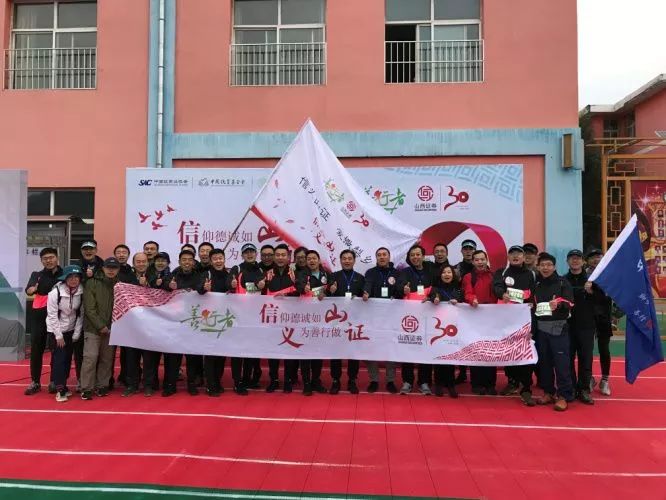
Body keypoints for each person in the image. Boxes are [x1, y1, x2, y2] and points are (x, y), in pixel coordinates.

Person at [198, 248, 248, 396]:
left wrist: (232, 286)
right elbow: (198, 289)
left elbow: (233, 291)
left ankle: (217, 382)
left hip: (227, 319)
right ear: (211, 260)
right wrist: (203, 288)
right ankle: (210, 384)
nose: (218, 261)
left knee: (221, 353)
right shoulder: (206, 274)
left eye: (220, 258)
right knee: (210, 353)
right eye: (215, 259)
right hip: (210, 320)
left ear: (224, 259)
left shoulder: (229, 274)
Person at [492, 245, 537, 406]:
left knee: (524, 352)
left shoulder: (531, 274)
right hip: (506, 319)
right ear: (508, 257)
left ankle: (526, 388)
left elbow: (535, 294)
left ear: (524, 257)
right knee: (508, 351)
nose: (515, 256)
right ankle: (512, 382)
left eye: (519, 254)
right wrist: (501, 293)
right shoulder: (502, 272)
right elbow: (496, 286)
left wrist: (531, 304)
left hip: (525, 319)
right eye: (512, 254)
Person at [533, 253, 575, 411]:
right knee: (544, 363)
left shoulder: (563, 282)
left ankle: (564, 395)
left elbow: (570, 302)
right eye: (542, 265)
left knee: (561, 363)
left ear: (554, 267)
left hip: (558, 327)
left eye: (549, 265)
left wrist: (559, 304)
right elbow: (531, 303)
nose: (545, 268)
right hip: (541, 328)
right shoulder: (536, 284)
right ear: (538, 267)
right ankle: (548, 392)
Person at [161, 250, 203, 396]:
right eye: (184, 259)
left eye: (189, 259)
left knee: (192, 356)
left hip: (192, 321)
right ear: (179, 261)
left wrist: (203, 289)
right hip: (175, 322)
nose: (187, 262)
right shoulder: (173, 274)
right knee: (173, 356)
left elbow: (202, 289)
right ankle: (170, 385)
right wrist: (168, 286)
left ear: (193, 262)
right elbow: (163, 286)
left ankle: (191, 384)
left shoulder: (199, 275)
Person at [24, 247, 63, 395]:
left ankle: (54, 381)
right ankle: (35, 381)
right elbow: (29, 289)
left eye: (51, 257)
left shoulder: (64, 274)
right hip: (39, 316)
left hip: (58, 316)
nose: (48, 260)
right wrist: (32, 289)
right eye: (45, 258)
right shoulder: (37, 275)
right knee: (36, 349)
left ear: (57, 258)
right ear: (41, 261)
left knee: (56, 349)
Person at [80, 257, 120, 400]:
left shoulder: (120, 285)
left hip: (112, 329)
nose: (111, 270)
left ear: (118, 270)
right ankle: (86, 388)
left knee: (107, 359)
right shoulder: (92, 283)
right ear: (103, 268)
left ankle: (102, 385)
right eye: (108, 267)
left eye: (114, 268)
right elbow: (89, 308)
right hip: (92, 328)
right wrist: (101, 326)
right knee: (90, 358)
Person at [397, 244, 434, 395]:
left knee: (425, 349)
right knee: (408, 348)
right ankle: (407, 381)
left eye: (418, 254)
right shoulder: (405, 272)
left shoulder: (430, 271)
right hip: (409, 317)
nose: (415, 257)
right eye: (412, 255)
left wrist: (432, 296)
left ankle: (424, 382)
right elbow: (398, 288)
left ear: (423, 256)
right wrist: (403, 289)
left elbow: (437, 288)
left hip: (427, 316)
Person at [362, 247, 400, 394]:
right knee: (371, 347)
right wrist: (366, 292)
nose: (382, 257)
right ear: (376, 258)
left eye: (384, 255)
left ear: (389, 257)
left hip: (391, 317)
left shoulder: (396, 273)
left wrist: (397, 295)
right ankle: (374, 379)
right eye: (379, 255)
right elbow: (368, 284)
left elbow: (400, 291)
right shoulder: (370, 272)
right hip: (373, 317)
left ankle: (390, 380)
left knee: (391, 348)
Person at [328, 249, 365, 395]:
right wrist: (330, 291)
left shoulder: (360, 278)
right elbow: (324, 296)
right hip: (337, 321)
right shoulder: (333, 276)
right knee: (335, 352)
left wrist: (363, 297)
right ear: (340, 260)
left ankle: (352, 380)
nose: (347, 261)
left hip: (354, 321)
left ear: (354, 260)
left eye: (350, 258)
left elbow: (365, 298)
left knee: (353, 352)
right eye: (344, 258)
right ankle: (335, 380)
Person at [295, 249, 331, 396]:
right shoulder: (302, 274)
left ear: (318, 260)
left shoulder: (325, 274)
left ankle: (316, 380)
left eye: (314, 258)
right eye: (308, 258)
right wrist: (303, 288)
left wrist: (327, 292)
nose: (311, 261)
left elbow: (331, 291)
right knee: (306, 352)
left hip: (322, 319)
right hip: (306, 317)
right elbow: (298, 285)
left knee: (317, 351)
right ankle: (307, 383)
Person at [263, 244, 298, 393]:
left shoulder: (295, 274)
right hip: (273, 318)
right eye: (277, 255)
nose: (280, 258)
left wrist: (287, 295)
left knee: (289, 351)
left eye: (283, 255)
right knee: (273, 350)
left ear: (288, 257)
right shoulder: (268, 274)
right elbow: (261, 296)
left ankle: (288, 380)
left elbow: (301, 292)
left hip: (290, 317)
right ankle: (274, 380)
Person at [462, 250, 498, 395]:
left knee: (490, 350)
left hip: (491, 319)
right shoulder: (468, 277)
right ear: (473, 262)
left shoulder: (494, 276)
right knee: (476, 350)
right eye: (477, 260)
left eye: (482, 259)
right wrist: (472, 300)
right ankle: (476, 383)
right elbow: (467, 293)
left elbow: (498, 293)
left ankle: (490, 384)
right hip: (474, 318)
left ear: (486, 259)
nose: (480, 262)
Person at [47, 265, 84, 402]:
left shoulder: (81, 291)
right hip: (56, 331)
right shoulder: (55, 293)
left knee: (68, 359)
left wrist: (76, 333)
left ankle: (64, 385)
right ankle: (60, 388)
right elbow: (52, 315)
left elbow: (80, 314)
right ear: (65, 278)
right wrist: (58, 336)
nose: (74, 280)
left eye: (77, 277)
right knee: (59, 360)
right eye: (71, 277)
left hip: (71, 330)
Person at [232, 243, 265, 388]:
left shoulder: (261, 269)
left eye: (252, 252)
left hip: (256, 316)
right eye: (247, 252)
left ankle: (249, 378)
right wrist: (231, 284)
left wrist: (263, 285)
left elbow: (266, 289)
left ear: (256, 254)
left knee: (252, 349)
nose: (249, 254)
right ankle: (237, 381)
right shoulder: (237, 269)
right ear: (242, 255)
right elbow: (229, 283)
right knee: (238, 350)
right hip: (238, 316)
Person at [564, 249, 595, 405]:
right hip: (567, 326)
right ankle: (570, 388)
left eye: (578, 258)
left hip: (587, 325)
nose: (575, 261)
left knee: (586, 359)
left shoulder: (592, 280)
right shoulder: (562, 280)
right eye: (572, 258)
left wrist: (592, 291)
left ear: (583, 261)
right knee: (568, 358)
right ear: (567, 261)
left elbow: (602, 300)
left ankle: (584, 389)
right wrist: (582, 290)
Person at [426, 264, 462, 398]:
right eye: (444, 272)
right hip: (437, 328)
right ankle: (438, 384)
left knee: (450, 356)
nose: (447, 275)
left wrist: (459, 301)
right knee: (439, 356)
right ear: (440, 275)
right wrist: (433, 299)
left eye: (449, 272)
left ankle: (450, 384)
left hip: (453, 328)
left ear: (453, 275)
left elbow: (463, 301)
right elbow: (430, 297)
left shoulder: (458, 290)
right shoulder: (435, 289)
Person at [586, 249, 613, 396]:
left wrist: (615, 315)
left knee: (604, 349)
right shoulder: (584, 275)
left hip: (604, 317)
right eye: (592, 257)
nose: (596, 259)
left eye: (598, 257)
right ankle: (589, 378)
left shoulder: (608, 275)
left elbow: (612, 296)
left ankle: (605, 380)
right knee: (587, 350)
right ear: (587, 261)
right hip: (587, 317)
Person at [453, 239, 476, 384]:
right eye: (465, 249)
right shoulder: (456, 268)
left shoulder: (480, 266)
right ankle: (462, 372)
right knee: (461, 340)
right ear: (461, 251)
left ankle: (475, 373)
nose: (468, 251)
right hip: (460, 309)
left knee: (474, 340)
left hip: (475, 309)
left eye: (471, 249)